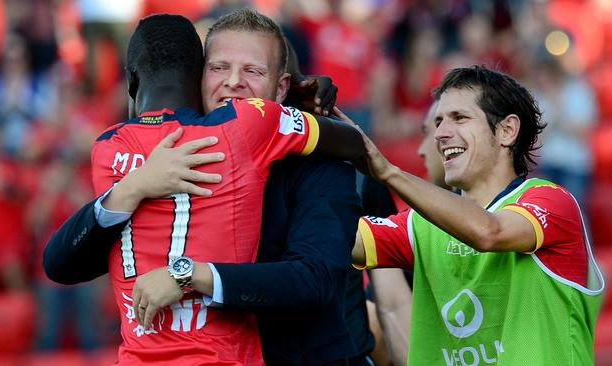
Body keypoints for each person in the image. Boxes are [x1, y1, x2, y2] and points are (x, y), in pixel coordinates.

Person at [45, 11, 370, 365]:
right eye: (218, 68)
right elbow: (63, 263)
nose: (233, 82)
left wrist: (187, 275)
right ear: (195, 78)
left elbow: (314, 280)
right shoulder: (164, 158)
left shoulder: (320, 164)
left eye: (253, 71)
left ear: (281, 87)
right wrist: (132, 187)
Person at [349, 65, 605, 365]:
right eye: (439, 122)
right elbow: (331, 239)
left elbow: (488, 232)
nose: (441, 134)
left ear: (507, 130)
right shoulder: (418, 223)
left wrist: (390, 173)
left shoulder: (551, 201)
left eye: (460, 118)